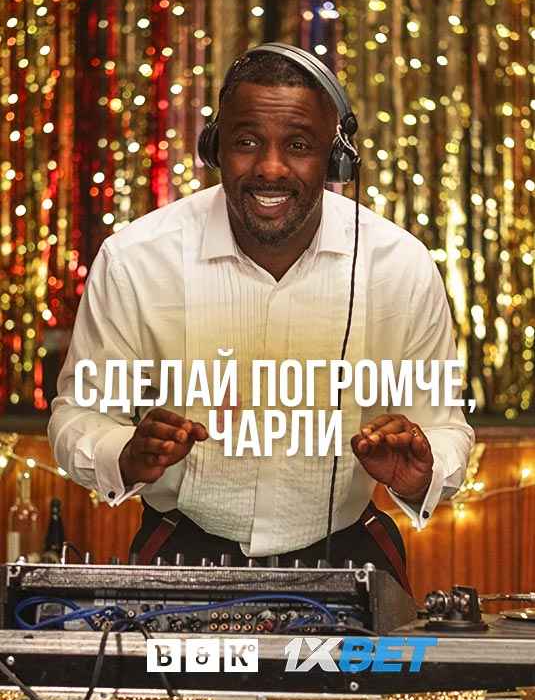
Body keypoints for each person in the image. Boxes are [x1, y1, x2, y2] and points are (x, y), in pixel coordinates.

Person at [48, 44, 473, 586]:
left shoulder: (400, 266)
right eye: (247, 142)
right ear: (215, 147)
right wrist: (124, 455)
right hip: (180, 549)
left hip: (349, 551)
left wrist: (420, 471)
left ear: (336, 158)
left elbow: (445, 428)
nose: (270, 168)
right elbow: (77, 415)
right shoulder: (134, 259)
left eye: (298, 145)